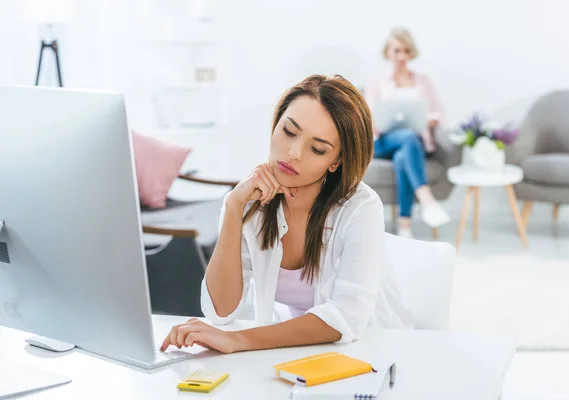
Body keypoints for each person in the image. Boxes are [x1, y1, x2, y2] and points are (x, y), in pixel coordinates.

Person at [160, 75, 412, 354]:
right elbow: (220, 311)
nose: (293, 153)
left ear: (336, 161)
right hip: (297, 351)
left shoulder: (360, 208)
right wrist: (233, 207)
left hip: (372, 350)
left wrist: (238, 340)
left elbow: (345, 318)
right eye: (289, 132)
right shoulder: (249, 201)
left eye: (317, 149)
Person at [364, 27, 451, 238]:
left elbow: (439, 114)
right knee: (407, 138)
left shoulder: (423, 80)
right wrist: (379, 122)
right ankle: (427, 200)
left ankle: (405, 226)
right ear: (388, 52)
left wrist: (430, 119)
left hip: (415, 141)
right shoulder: (376, 82)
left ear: (412, 53)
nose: (402, 56)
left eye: (406, 50)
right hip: (384, 141)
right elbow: (367, 117)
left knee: (405, 154)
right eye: (397, 51)